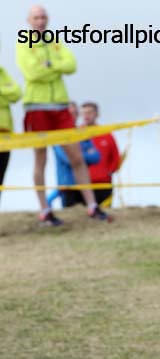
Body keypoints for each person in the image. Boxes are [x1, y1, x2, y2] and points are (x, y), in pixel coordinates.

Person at [16, 5, 111, 225]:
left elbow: (71, 65)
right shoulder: (23, 41)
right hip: (36, 107)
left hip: (60, 107)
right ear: (29, 21)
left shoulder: (55, 40)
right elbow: (31, 71)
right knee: (40, 159)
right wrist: (54, 68)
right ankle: (45, 211)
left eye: (43, 17)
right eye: (36, 18)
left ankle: (92, 206)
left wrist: (49, 64)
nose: (41, 21)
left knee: (76, 157)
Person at [80, 102, 121, 205]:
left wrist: (109, 172)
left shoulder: (106, 134)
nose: (87, 116)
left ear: (97, 114)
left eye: (90, 112)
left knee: (106, 217)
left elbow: (116, 157)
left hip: (104, 184)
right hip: (82, 185)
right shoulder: (76, 133)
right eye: (84, 113)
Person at [0, 53, 22, 203]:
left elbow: (16, 94)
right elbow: (10, 93)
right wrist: (4, 91)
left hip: (5, 134)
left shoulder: (2, 72)